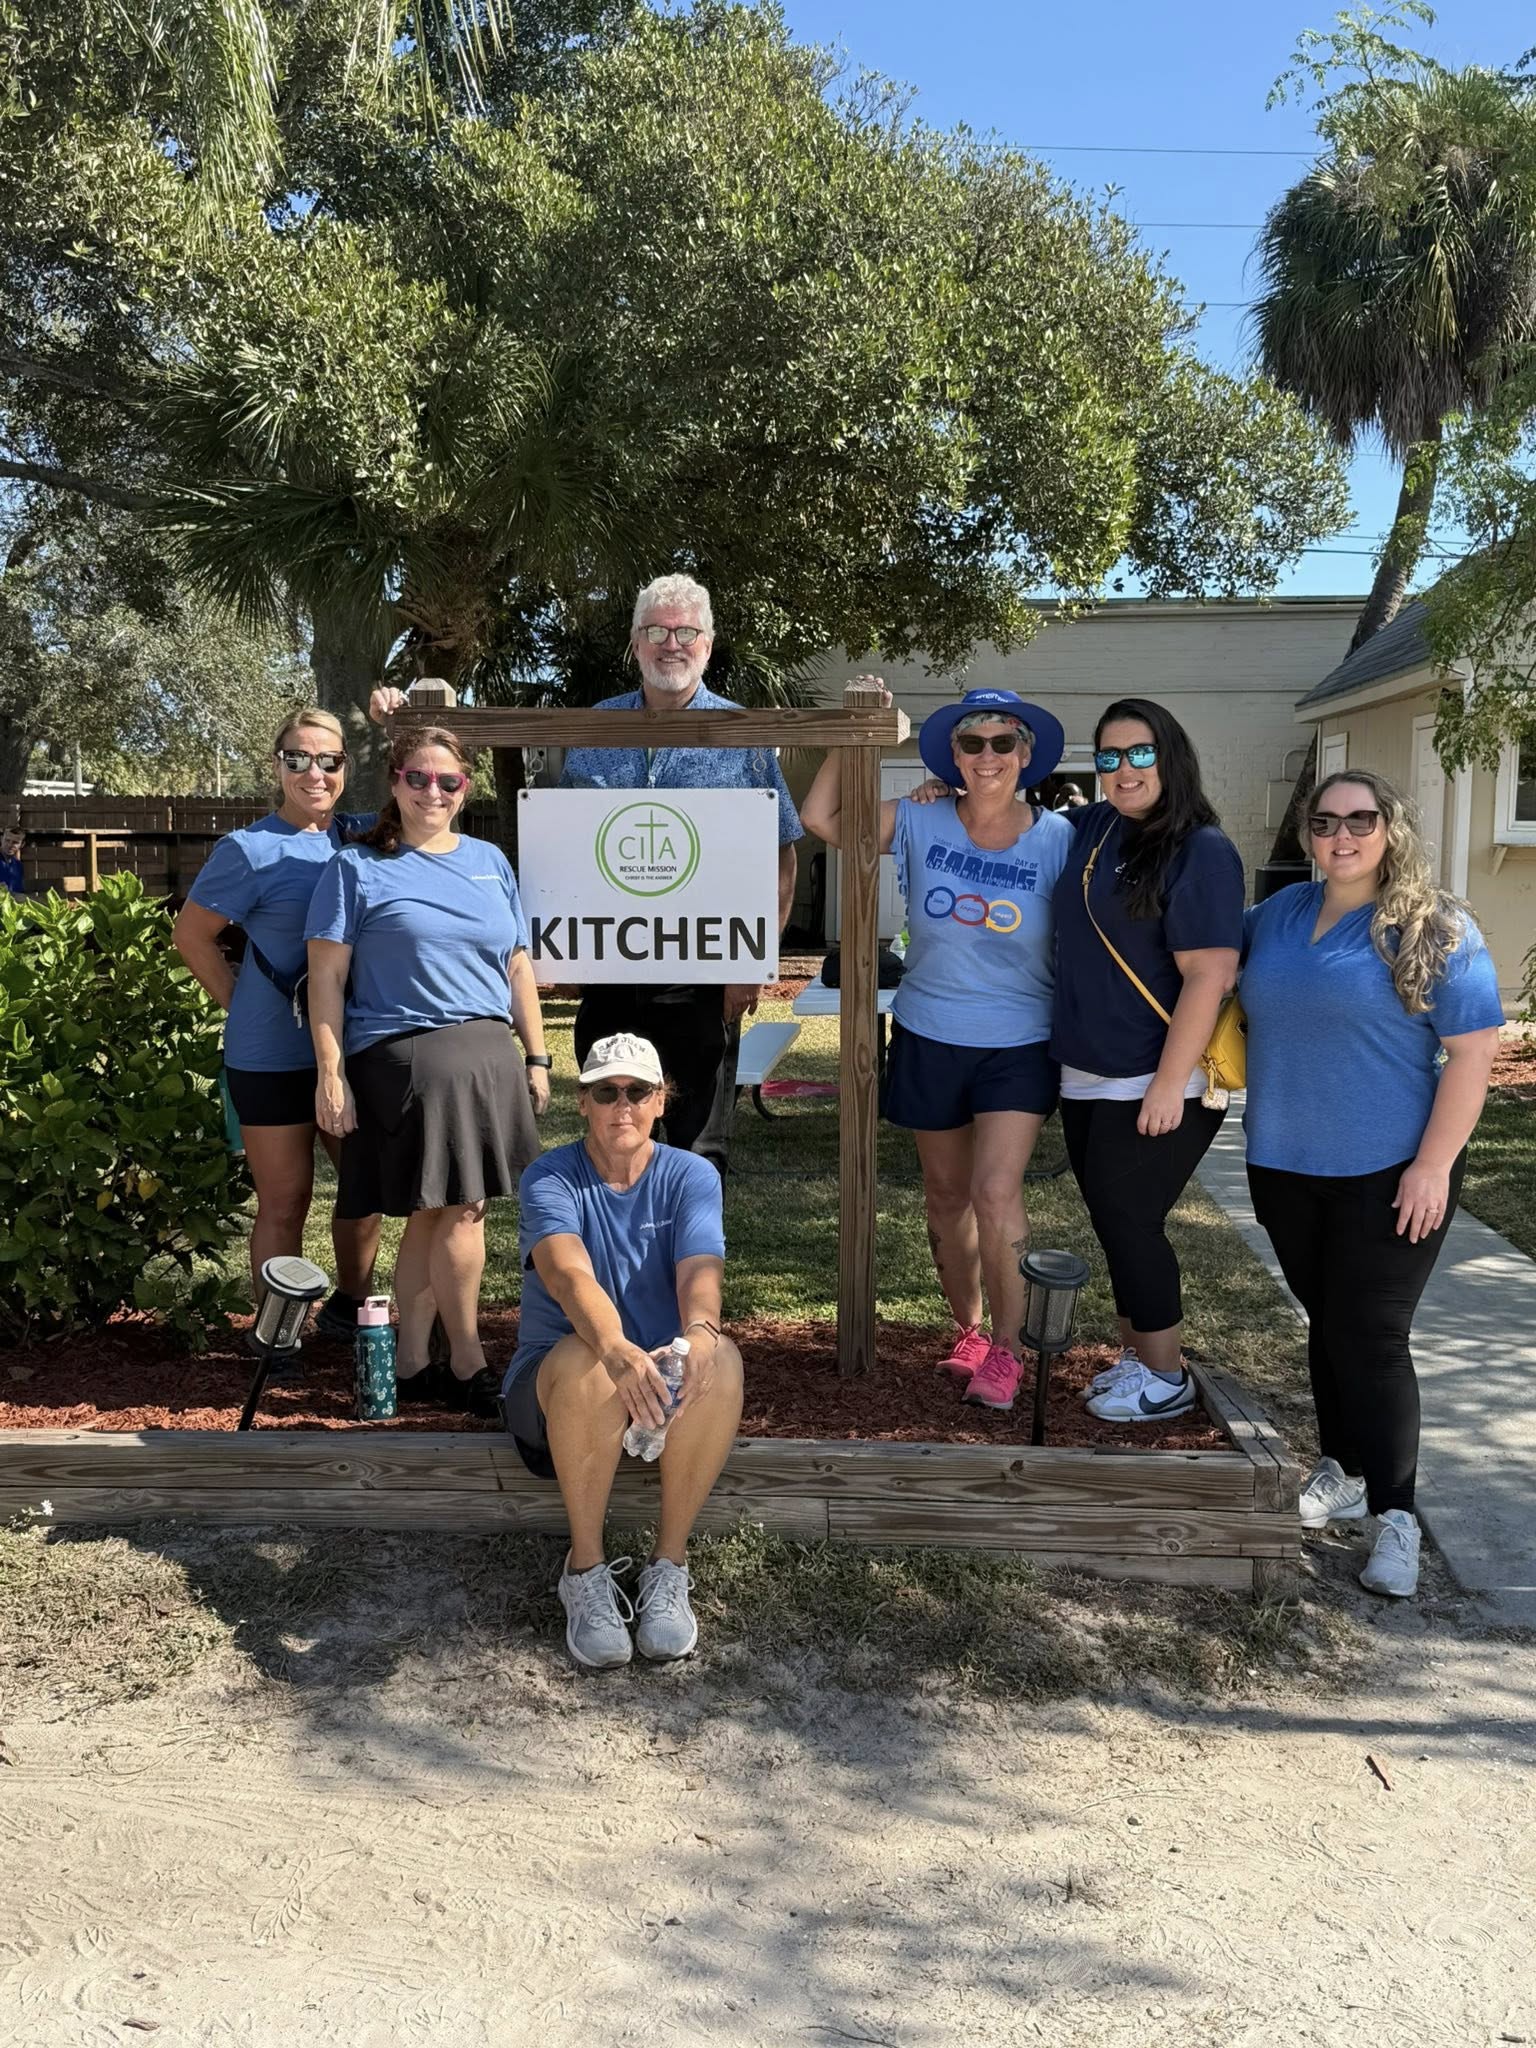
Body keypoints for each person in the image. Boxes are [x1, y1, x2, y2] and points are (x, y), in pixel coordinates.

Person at [1241, 770, 1502, 1599]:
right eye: (1325, 822)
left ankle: (1396, 1518)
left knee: (1375, 1337)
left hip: (1392, 1168)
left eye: (1360, 820)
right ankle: (1344, 1469)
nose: (1341, 836)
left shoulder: (1435, 926)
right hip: (1283, 1160)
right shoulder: (1276, 917)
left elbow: (1473, 1054)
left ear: (1390, 827)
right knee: (1331, 1320)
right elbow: (1189, 949)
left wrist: (1432, 1165)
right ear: (1308, 832)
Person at [803, 684, 1073, 1412]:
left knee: (995, 1191)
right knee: (946, 1196)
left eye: (1002, 742)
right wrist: (850, 739)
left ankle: (1011, 1353)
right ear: (953, 754)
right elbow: (821, 818)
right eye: (971, 742)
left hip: (1019, 1040)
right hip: (928, 1030)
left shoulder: (1059, 838)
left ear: (1026, 754)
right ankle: (972, 1332)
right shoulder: (920, 819)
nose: (987, 756)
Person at [305, 725, 550, 1416]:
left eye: (449, 781)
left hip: (488, 1057)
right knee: (459, 1209)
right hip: (407, 1054)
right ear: (394, 782)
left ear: (465, 789)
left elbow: (517, 965)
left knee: (433, 1210)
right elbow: (326, 980)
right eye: (419, 778)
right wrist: (332, 1074)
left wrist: (536, 1054)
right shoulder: (354, 868)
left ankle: (411, 1362)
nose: (433, 792)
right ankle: (468, 1360)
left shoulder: (490, 862)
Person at [499, 1033, 744, 1669]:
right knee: (588, 1361)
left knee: (723, 1356)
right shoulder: (549, 1176)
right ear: (583, 1102)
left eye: (638, 1091)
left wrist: (700, 1333)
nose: (622, 1105)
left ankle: (669, 1567)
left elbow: (700, 1270)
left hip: (655, 1378)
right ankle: (585, 1570)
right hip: (561, 1384)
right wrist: (615, 1347)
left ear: (662, 1101)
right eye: (606, 1091)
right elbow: (566, 1275)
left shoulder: (692, 1175)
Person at [556, 574, 804, 1171]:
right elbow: (565, 843)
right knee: (611, 1140)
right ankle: (615, 1264)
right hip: (610, 970)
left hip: (704, 975)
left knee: (697, 1147)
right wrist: (562, 953)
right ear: (636, 644)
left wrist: (752, 961)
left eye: (686, 632)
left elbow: (781, 852)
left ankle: (691, 1266)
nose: (672, 644)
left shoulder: (741, 734)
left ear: (708, 644)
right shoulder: (595, 729)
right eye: (657, 632)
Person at [1050, 698, 1244, 1424]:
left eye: (1139, 754)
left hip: (1162, 1075)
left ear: (1169, 756)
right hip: (1086, 1070)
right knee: (1111, 1217)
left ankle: (1166, 1377)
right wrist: (948, 792)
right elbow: (1011, 828)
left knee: (1132, 1219)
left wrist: (1168, 1086)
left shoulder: (1202, 849)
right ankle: (1137, 1357)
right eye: (1108, 757)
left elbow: (1210, 974)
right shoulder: (1095, 828)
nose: (1123, 770)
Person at [174, 708, 380, 1336]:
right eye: (298, 759)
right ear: (278, 766)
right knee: (286, 1199)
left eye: (329, 760)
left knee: (362, 1191)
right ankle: (276, 1329)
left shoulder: (369, 838)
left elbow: (429, 782)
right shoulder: (248, 849)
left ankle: (349, 1311)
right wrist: (244, 1006)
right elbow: (192, 937)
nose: (314, 772)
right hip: (269, 1055)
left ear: (347, 767)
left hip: (353, 1048)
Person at [0, 826, 24, 895]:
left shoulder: (18, 866)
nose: (10, 845)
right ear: (1, 839)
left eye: (15, 842)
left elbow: (19, 892)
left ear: (22, 845)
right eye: (7, 840)